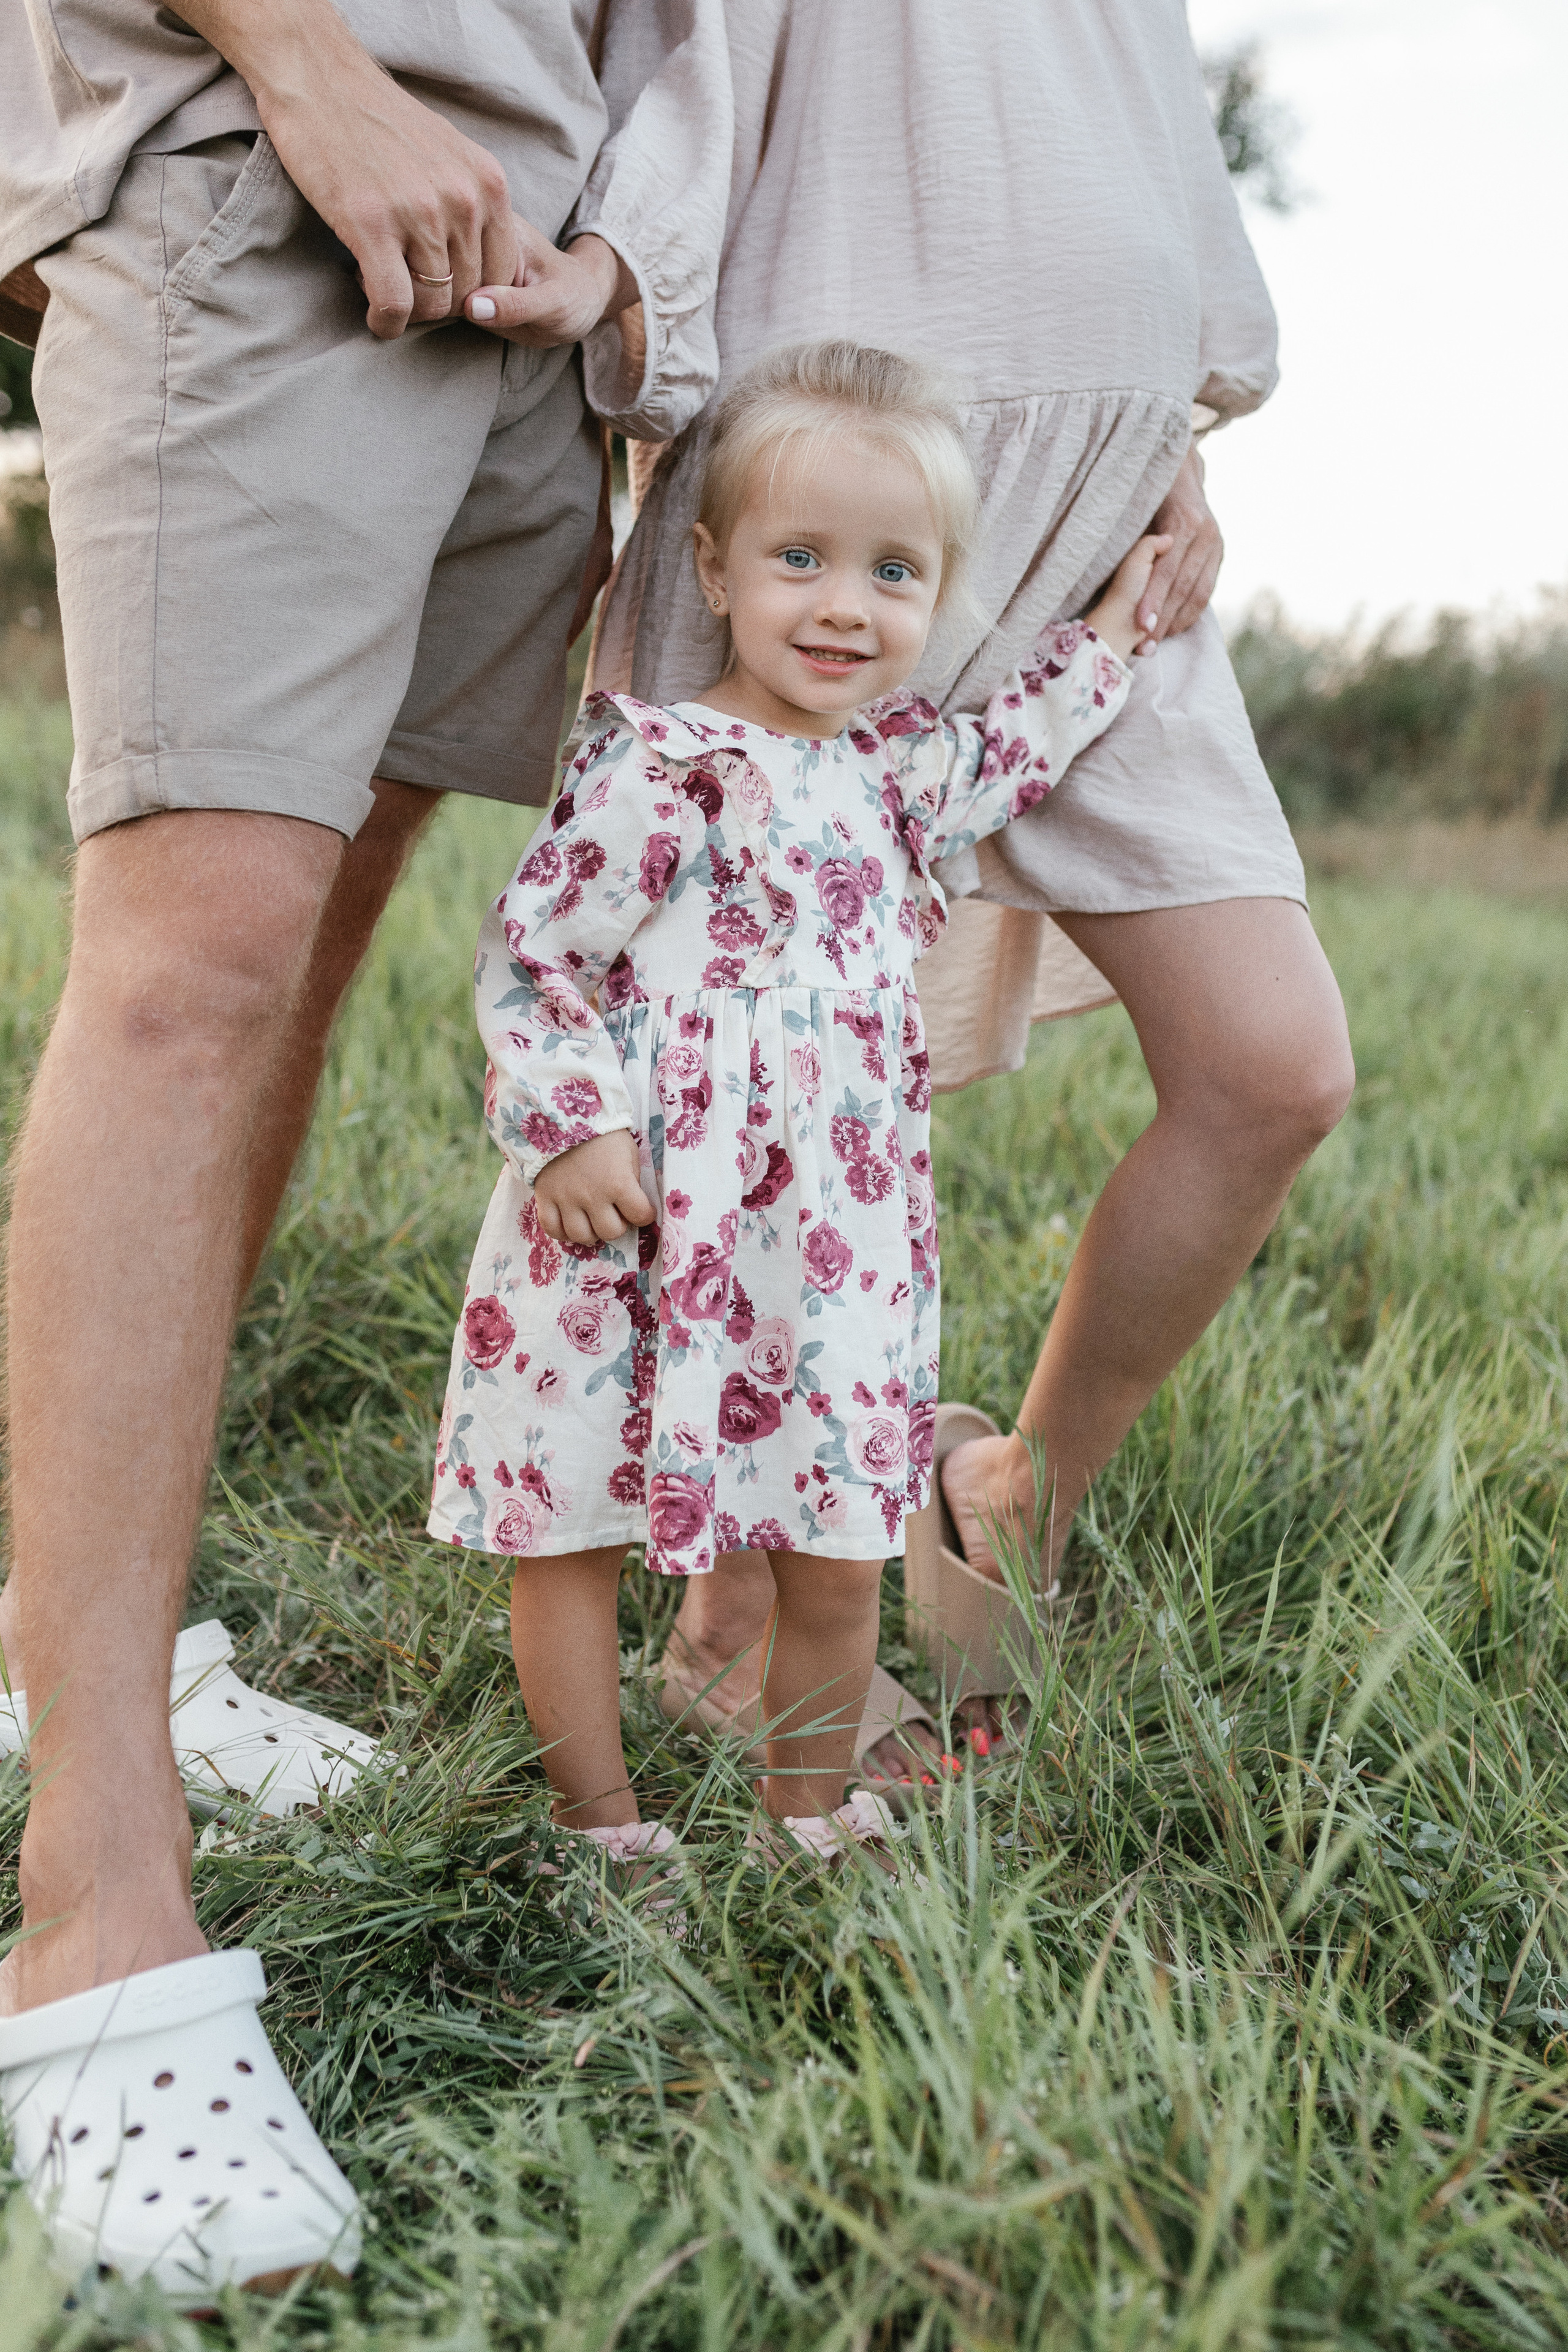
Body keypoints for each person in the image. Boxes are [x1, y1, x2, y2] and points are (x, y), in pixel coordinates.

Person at [0, 0, 728, 2302]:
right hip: (274, 160)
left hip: (524, 268)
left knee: (303, 949)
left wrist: (621, 262)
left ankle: (51, 1655)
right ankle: (92, 1905)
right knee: (191, 971)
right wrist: (301, 62)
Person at [594, 0, 1356, 1769]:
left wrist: (1175, 445)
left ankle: (1011, 1490)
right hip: (820, 488)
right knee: (757, 1082)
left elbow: (1131, 131)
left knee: (1272, 1066)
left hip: (1101, 533)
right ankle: (733, 1620)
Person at [428, 340, 1166, 1872]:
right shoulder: (660, 763)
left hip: (826, 1245)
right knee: (570, 1525)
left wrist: (1117, 628)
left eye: (893, 572)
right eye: (799, 558)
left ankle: (804, 1817)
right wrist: (569, 1125)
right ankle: (600, 1830)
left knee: (838, 1540)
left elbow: (1021, 743)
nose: (843, 605)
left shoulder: (900, 775)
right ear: (712, 569)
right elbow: (537, 952)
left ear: (937, 596)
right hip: (631, 1213)